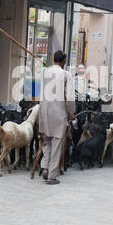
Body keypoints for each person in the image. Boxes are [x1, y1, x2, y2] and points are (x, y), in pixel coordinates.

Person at [39, 51, 75, 185]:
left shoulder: (44, 72)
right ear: (64, 61)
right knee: (57, 143)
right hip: (58, 113)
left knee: (46, 140)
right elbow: (70, 97)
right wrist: (71, 113)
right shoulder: (66, 75)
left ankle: (45, 167)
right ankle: (51, 176)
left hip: (44, 112)